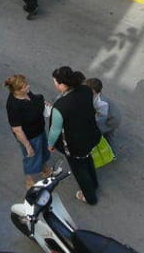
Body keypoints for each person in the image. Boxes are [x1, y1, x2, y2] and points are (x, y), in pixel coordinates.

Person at [47, 66, 102, 205]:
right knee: (88, 159)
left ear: (62, 84)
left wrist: (50, 144)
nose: (54, 84)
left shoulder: (60, 107)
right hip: (91, 135)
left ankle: (90, 197)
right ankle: (95, 184)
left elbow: (55, 130)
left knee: (80, 170)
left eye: (55, 81)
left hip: (76, 145)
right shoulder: (86, 90)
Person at [4, 74, 52, 188]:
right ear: (17, 91)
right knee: (31, 156)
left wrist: (44, 103)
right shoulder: (13, 105)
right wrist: (27, 146)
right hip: (30, 136)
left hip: (39, 129)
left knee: (43, 150)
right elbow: (17, 129)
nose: (28, 87)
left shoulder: (26, 93)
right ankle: (29, 180)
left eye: (26, 84)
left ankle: (44, 168)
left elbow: (34, 100)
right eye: (25, 87)